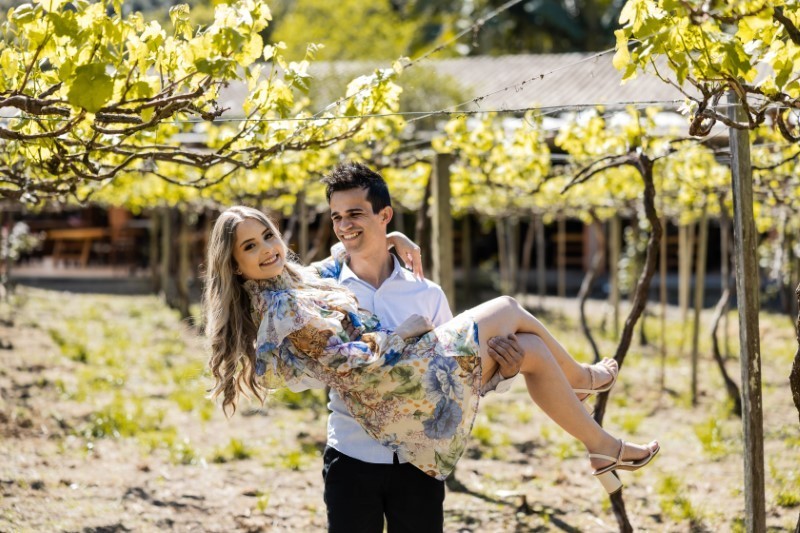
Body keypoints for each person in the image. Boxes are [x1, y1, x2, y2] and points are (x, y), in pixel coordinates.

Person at [203, 206, 659, 516]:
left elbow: (333, 259)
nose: (267, 249)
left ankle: (600, 445)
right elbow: (341, 364)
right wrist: (399, 333)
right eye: (250, 247)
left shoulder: (293, 280)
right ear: (235, 264)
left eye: (268, 235)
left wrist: (388, 237)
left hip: (401, 381)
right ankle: (584, 381)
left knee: (534, 352)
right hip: (396, 379)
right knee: (507, 307)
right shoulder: (281, 306)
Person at [307, 163, 521, 533]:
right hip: (350, 455)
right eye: (337, 216)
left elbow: (455, 377)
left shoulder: (427, 294)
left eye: (355, 213)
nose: (344, 225)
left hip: (419, 461)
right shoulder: (326, 293)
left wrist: (507, 374)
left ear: (385, 215)